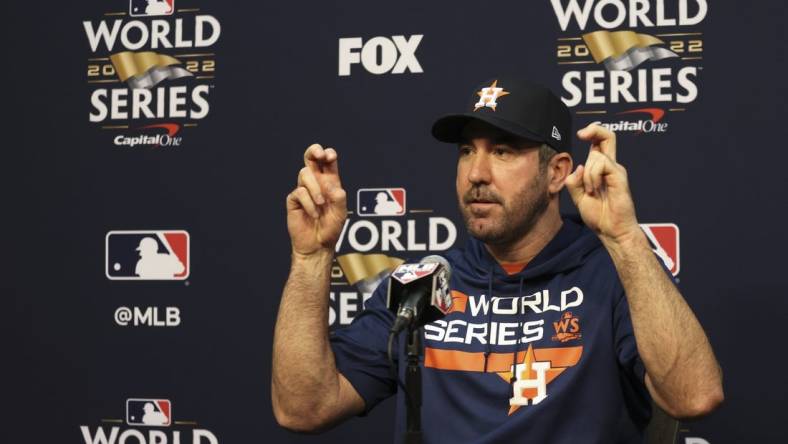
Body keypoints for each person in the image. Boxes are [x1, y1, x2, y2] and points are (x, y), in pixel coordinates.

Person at [271, 77, 723, 443]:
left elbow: (694, 397)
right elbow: (303, 408)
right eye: (468, 150)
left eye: (502, 151)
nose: (476, 174)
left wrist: (625, 239)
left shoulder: (611, 274)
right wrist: (312, 257)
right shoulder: (425, 283)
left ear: (558, 172)